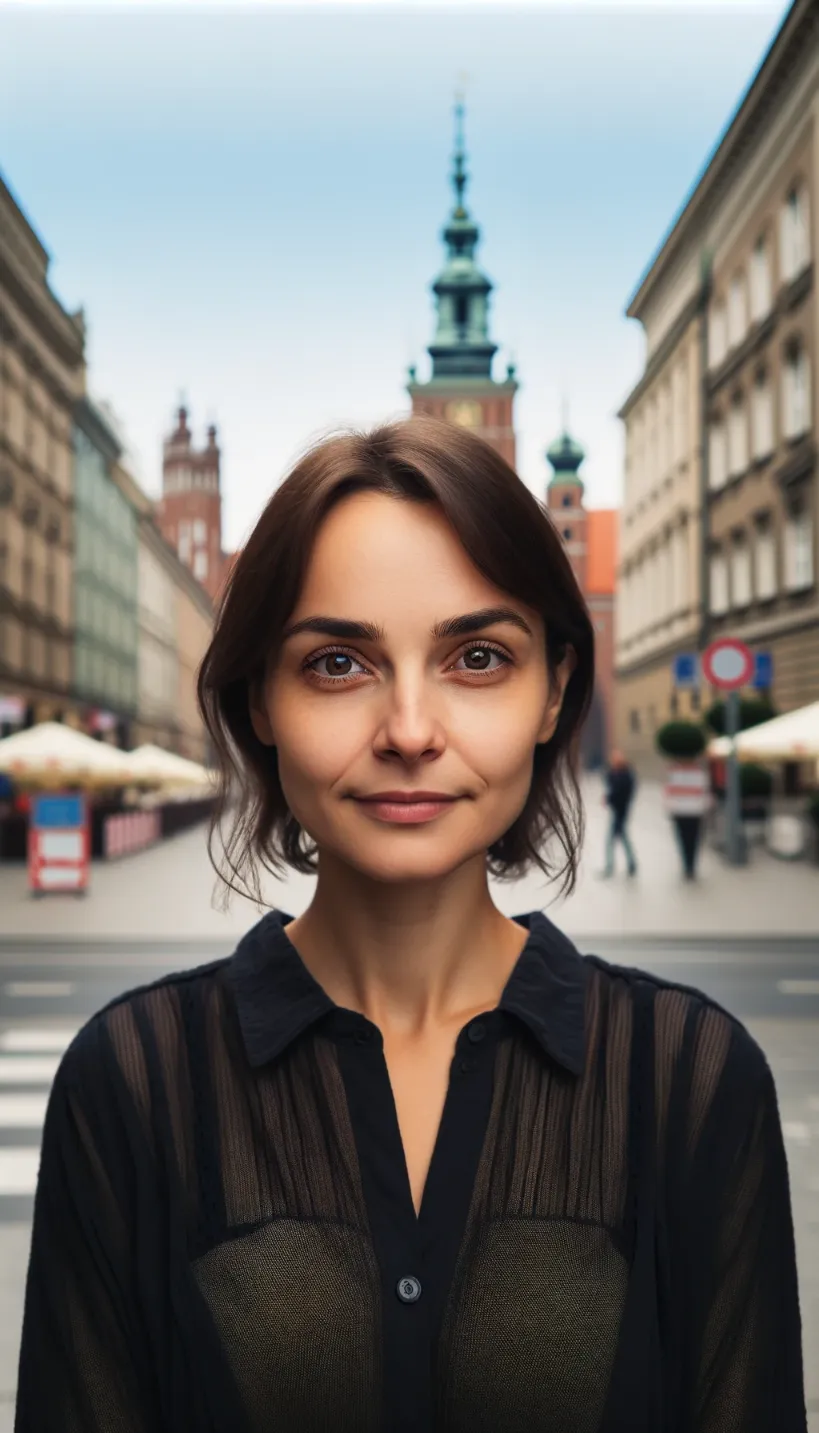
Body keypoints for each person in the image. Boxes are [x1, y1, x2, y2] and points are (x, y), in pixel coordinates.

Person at [15, 418, 806, 1432]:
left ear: (555, 688)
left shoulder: (689, 1077)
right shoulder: (132, 1081)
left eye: (476, 656)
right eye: (339, 663)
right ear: (260, 696)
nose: (410, 730)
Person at [665, 755, 711, 879]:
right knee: (688, 841)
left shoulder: (695, 773)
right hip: (687, 812)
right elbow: (669, 792)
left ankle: (689, 866)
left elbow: (704, 792)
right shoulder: (697, 773)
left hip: (690, 812)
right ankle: (688, 866)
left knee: (689, 841)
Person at [599, 748, 637, 877]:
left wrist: (609, 799)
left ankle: (611, 866)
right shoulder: (614, 773)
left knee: (611, 840)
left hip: (621, 811)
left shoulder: (626, 775)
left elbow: (620, 792)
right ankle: (631, 864)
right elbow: (608, 783)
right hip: (616, 811)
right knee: (623, 838)